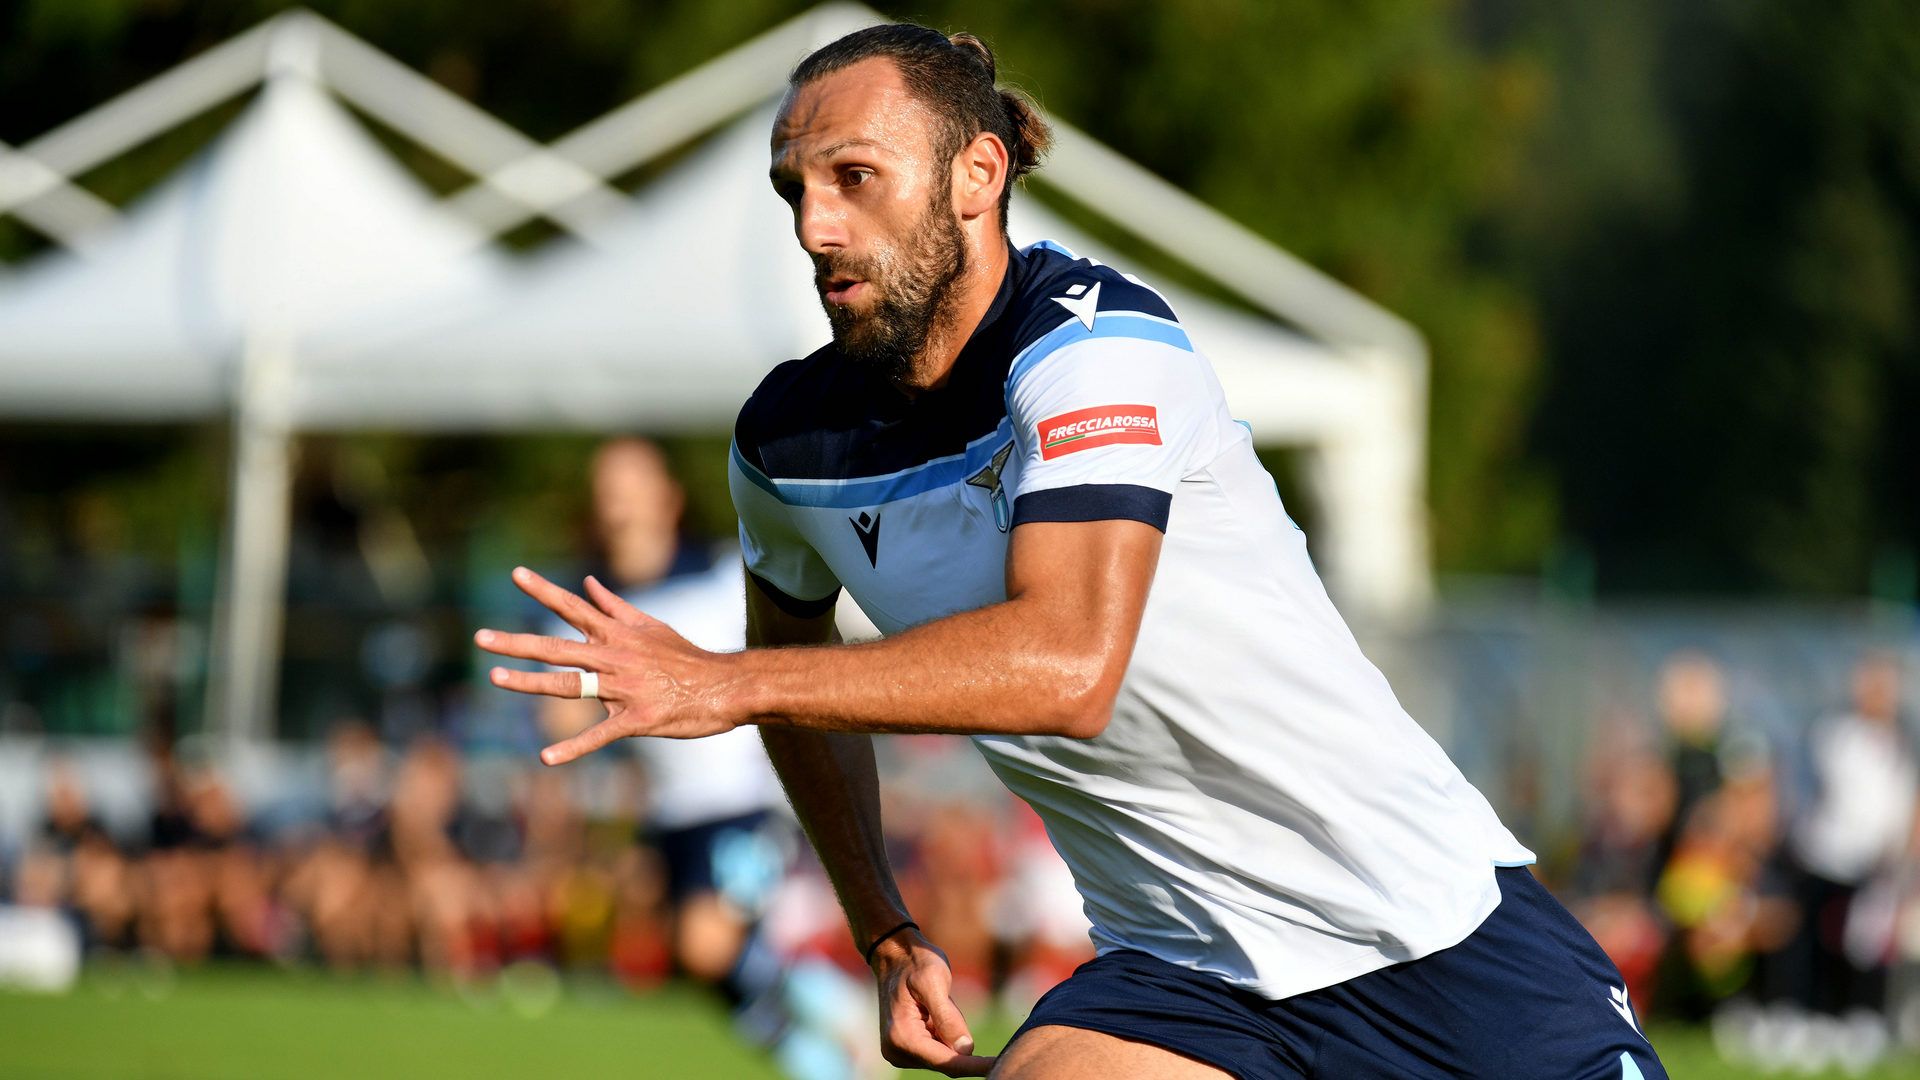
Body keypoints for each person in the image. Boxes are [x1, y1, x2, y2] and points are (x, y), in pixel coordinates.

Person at [476, 23, 1668, 1080]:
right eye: (794, 188)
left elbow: (1066, 666)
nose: (814, 225)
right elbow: (796, 683)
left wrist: (722, 685)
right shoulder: (789, 443)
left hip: (1427, 935)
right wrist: (884, 931)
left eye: (854, 179)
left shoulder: (1097, 352)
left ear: (975, 176)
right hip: (1182, 979)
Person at [539, 438, 868, 1080]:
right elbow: (565, 712)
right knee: (702, 961)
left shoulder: (724, 578)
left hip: (748, 803)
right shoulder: (594, 608)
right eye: (607, 486)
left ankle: (833, 1042)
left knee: (706, 945)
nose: (618, 501)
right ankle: (823, 1044)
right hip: (671, 818)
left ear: (668, 497)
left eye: (631, 483)